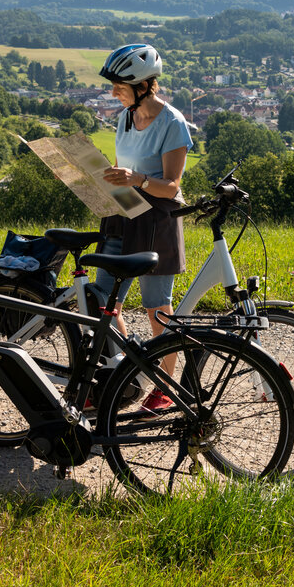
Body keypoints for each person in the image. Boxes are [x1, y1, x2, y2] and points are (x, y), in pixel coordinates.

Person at [89, 44, 193, 400]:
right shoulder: (125, 117)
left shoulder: (172, 123)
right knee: (101, 304)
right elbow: (123, 172)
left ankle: (164, 389)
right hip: (124, 215)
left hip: (156, 223)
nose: (113, 92)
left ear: (144, 85)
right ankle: (124, 375)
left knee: (157, 312)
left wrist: (137, 179)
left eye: (119, 85)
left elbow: (173, 187)